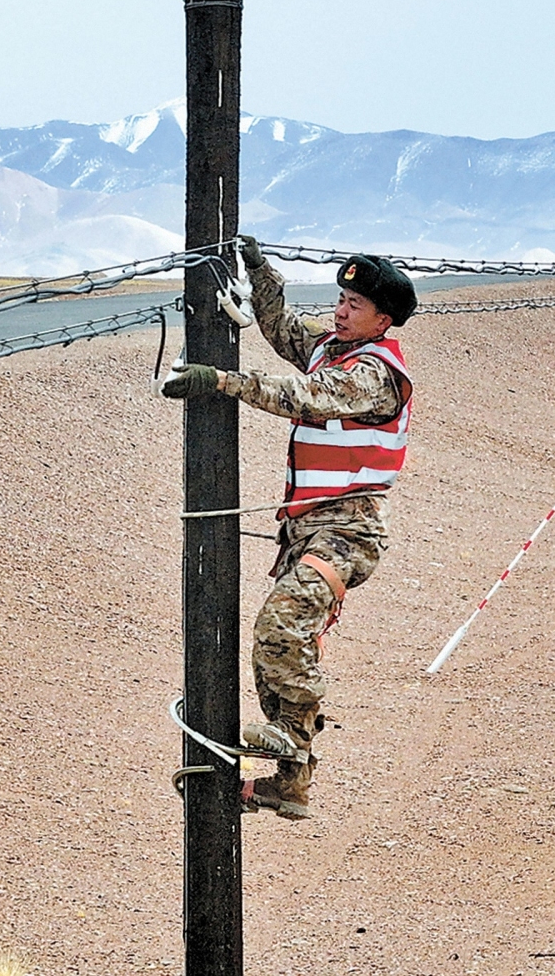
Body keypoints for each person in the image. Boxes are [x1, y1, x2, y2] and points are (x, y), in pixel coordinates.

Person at [163, 238, 416, 819]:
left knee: (282, 625)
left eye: (355, 304)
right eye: (341, 299)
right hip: (307, 530)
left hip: (347, 530)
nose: (341, 310)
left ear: (383, 320)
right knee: (272, 648)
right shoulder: (334, 348)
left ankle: (290, 743)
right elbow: (282, 329)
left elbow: (306, 396)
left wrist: (220, 380)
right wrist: (260, 271)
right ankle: (289, 783)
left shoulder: (375, 373)